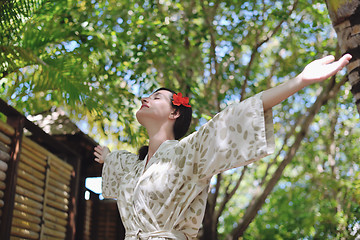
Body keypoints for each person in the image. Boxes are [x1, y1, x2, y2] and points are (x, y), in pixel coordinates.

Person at [94, 54, 352, 240]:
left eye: (155, 96)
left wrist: (300, 81)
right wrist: (107, 157)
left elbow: (233, 118)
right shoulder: (134, 168)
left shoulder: (187, 153)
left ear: (174, 113)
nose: (145, 98)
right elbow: (119, 161)